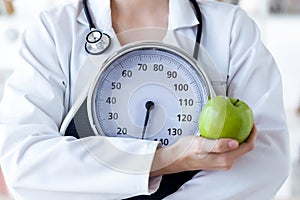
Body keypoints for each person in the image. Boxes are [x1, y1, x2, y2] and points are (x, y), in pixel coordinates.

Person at [0, 0, 289, 199]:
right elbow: (23, 164)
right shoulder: (54, 30)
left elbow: (266, 159)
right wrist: (163, 160)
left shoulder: (230, 30)